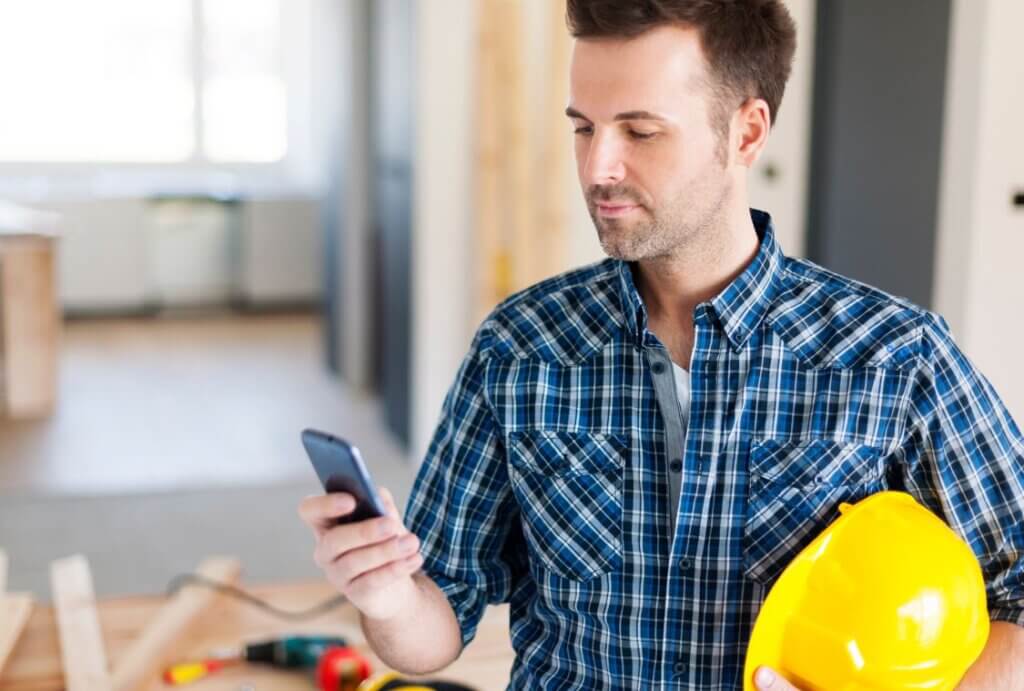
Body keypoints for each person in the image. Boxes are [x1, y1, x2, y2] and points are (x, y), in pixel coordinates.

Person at [299, 1, 1024, 688]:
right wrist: (390, 595)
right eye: (584, 127)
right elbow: (434, 630)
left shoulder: (895, 358)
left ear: (746, 133)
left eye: (640, 132)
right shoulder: (518, 348)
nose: (597, 168)